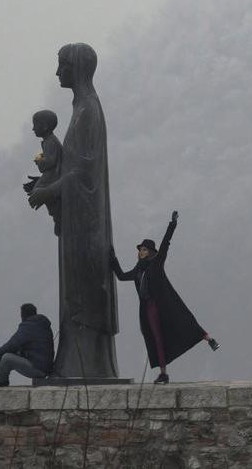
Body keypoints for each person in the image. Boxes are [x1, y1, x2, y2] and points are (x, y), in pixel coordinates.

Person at [27, 43, 119, 378]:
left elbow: (82, 172)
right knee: (75, 289)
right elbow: (69, 165)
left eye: (62, 65)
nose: (57, 73)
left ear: (76, 68)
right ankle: (75, 364)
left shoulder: (88, 111)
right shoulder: (81, 108)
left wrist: (48, 191)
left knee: (83, 289)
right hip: (76, 219)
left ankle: (84, 366)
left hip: (86, 222)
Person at [109, 211, 218, 384]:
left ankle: (208, 338)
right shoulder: (138, 270)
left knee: (184, 320)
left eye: (144, 250)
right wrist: (112, 259)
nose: (141, 252)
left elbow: (166, 243)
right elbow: (121, 276)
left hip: (163, 305)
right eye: (140, 250)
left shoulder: (156, 263)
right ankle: (163, 373)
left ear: (150, 252)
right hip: (148, 308)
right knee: (156, 338)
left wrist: (172, 224)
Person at [0, 303, 54, 387]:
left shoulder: (29, 326)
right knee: (15, 352)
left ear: (23, 314)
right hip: (43, 366)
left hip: (38, 369)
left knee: (6, 358)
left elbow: (12, 344)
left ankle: (1, 381)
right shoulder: (41, 325)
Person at [22, 109, 63, 235]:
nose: (33, 129)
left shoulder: (50, 141)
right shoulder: (49, 141)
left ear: (44, 127)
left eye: (35, 125)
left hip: (53, 176)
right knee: (36, 189)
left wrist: (39, 160)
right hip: (51, 175)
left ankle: (58, 217)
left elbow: (50, 162)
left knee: (38, 192)